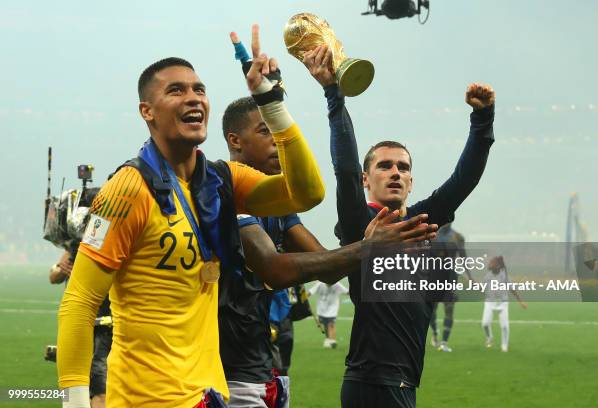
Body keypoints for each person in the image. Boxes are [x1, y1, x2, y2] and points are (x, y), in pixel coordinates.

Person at [57, 24, 328, 408]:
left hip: (208, 394)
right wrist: (75, 401)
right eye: (176, 90)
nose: (193, 98)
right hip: (147, 398)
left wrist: (272, 102)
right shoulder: (128, 189)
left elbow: (307, 192)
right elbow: (80, 301)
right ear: (146, 111)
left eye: (199, 89)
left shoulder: (220, 180)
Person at [219, 65, 437, 407]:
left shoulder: (278, 208)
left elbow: (331, 268)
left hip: (260, 366)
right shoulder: (222, 191)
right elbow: (274, 270)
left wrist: (369, 247)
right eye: (266, 132)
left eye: (280, 132)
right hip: (220, 371)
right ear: (235, 140)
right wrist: (368, 247)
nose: (279, 141)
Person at [301, 45, 496, 408]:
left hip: (403, 384)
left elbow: (463, 180)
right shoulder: (361, 222)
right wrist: (334, 94)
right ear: (365, 179)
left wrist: (482, 120)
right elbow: (343, 169)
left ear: (411, 180)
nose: (395, 173)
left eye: (403, 167)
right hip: (373, 383)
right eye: (385, 166)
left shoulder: (421, 220)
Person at [50, 249, 112, 408]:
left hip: (114, 323)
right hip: (91, 325)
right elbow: (54, 275)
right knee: (99, 391)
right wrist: (60, 268)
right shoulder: (77, 245)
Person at [429, 223, 470, 352]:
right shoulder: (431, 235)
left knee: (449, 308)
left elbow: (463, 258)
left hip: (450, 277)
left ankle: (444, 343)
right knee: (431, 310)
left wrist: (470, 276)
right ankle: (435, 334)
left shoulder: (458, 237)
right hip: (433, 276)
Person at [482, 256, 528, 352]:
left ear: (498, 265)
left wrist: (521, 302)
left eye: (492, 263)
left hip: (503, 303)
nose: (489, 264)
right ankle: (489, 337)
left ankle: (504, 345)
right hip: (490, 302)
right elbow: (481, 288)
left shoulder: (505, 276)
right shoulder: (488, 276)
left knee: (504, 326)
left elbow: (512, 290)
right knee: (485, 323)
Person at [308, 281, 349, 349]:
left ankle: (333, 341)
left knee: (331, 324)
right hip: (321, 309)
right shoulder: (320, 284)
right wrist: (303, 299)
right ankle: (328, 339)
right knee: (325, 324)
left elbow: (347, 292)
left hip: (333, 308)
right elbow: (310, 292)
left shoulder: (337, 284)